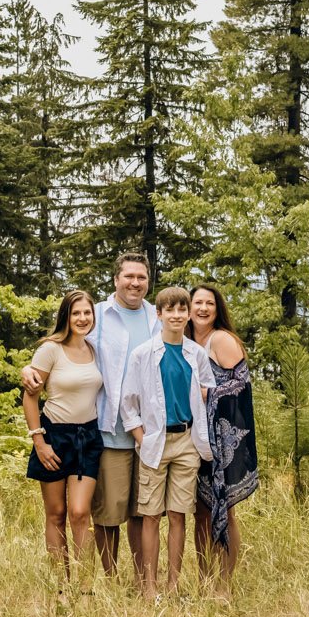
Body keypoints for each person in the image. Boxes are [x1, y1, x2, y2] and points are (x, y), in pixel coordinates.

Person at [21, 253, 157, 576]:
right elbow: (48, 359)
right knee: (93, 515)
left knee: (136, 512)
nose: (135, 283)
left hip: (140, 433)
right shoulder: (97, 315)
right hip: (93, 434)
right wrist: (27, 370)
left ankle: (132, 583)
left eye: (141, 277)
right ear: (116, 280)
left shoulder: (158, 317)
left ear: (148, 281)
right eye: (129, 276)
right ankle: (86, 583)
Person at [118, 285, 215, 599]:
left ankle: (173, 587)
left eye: (181, 310)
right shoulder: (143, 354)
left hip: (186, 442)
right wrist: (141, 438)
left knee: (177, 514)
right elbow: (128, 404)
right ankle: (149, 587)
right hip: (154, 443)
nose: (176, 315)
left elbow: (207, 395)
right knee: (150, 516)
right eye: (169, 310)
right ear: (158, 314)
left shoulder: (196, 354)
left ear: (188, 315)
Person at [22, 290, 104, 586]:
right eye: (76, 313)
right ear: (65, 317)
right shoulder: (50, 350)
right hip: (55, 436)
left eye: (87, 313)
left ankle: (85, 589)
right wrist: (39, 442)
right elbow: (29, 397)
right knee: (56, 514)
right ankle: (61, 586)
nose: (82, 318)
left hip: (88, 437)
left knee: (81, 512)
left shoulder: (95, 349)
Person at [186, 284, 256, 598]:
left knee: (223, 510)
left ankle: (223, 586)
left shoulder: (222, 339)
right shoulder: (185, 341)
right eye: (197, 302)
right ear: (187, 307)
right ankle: (204, 582)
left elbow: (242, 385)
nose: (202, 308)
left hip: (223, 438)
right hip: (194, 435)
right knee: (201, 511)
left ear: (217, 309)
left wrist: (206, 393)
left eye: (209, 303)